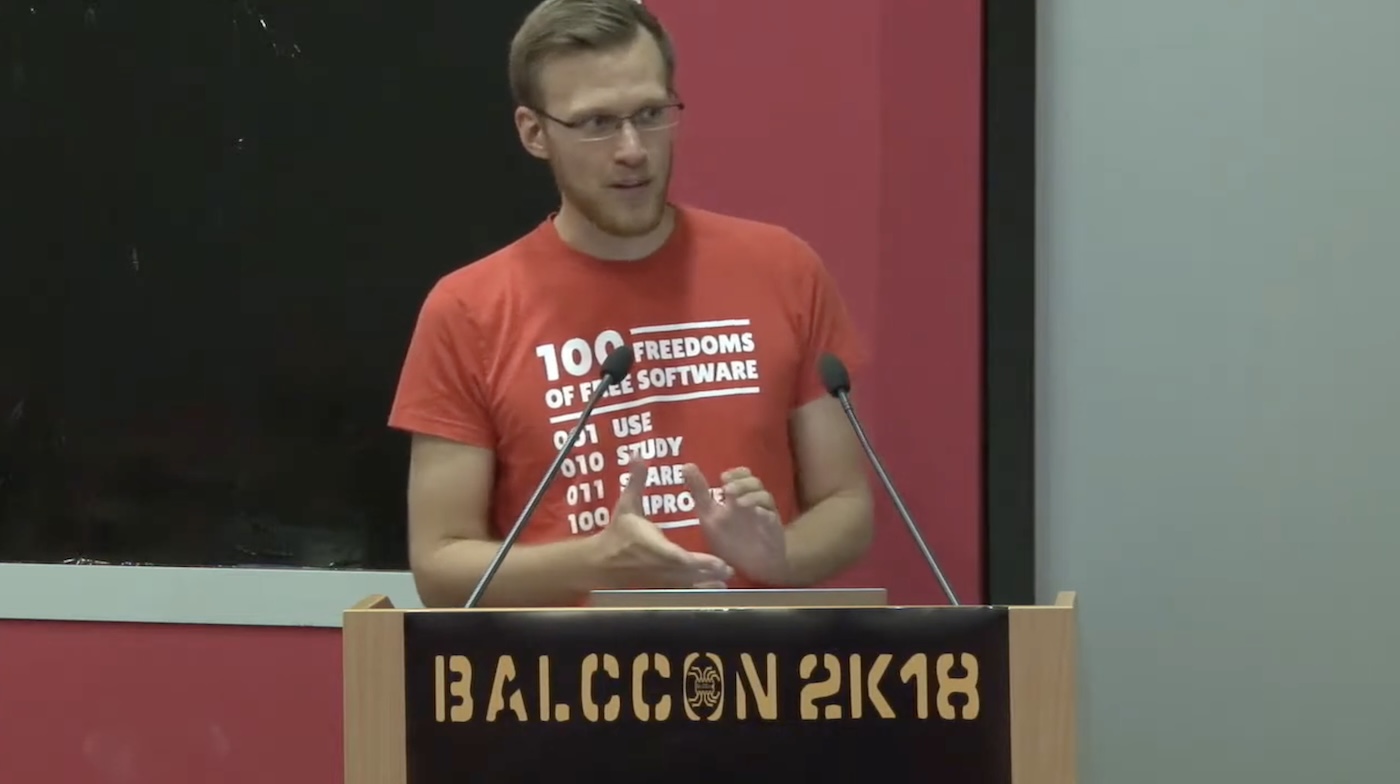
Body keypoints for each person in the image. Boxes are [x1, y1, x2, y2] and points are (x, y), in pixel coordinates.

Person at [388, 0, 873, 607]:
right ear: (534, 133)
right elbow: (439, 565)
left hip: (755, 658)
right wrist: (595, 562)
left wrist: (780, 556)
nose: (632, 149)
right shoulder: (467, 309)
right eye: (596, 122)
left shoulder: (784, 269)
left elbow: (847, 505)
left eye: (650, 114)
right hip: (565, 664)